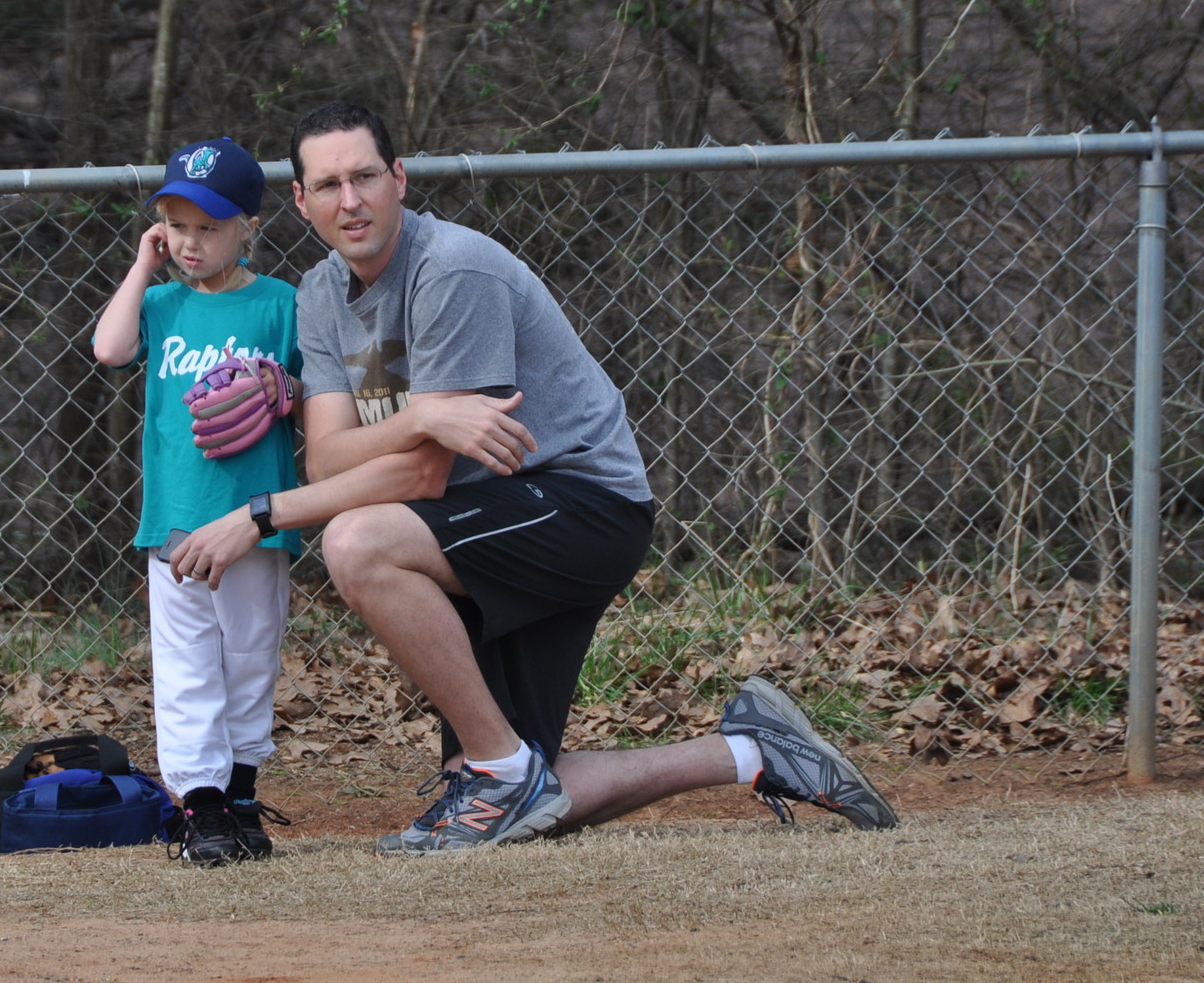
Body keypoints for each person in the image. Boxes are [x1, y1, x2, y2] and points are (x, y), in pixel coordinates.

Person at [169, 101, 897, 853]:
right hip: (481, 518)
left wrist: (260, 515)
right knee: (507, 791)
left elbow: (417, 475)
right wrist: (423, 415)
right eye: (327, 185)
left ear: (399, 178)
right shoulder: (319, 296)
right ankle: (751, 751)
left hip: (581, 503)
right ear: (301, 201)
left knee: (356, 542)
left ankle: (502, 768)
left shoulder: (450, 268)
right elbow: (328, 456)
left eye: (364, 177)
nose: (349, 201)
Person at [91, 138, 299, 866]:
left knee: (248, 660)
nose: (190, 240)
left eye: (209, 226)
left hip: (252, 526)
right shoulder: (160, 301)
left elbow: (315, 403)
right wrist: (143, 263)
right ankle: (200, 806)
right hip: (174, 524)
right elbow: (110, 350)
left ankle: (240, 792)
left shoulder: (280, 304)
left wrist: (286, 391)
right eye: (177, 224)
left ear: (249, 226)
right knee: (185, 668)